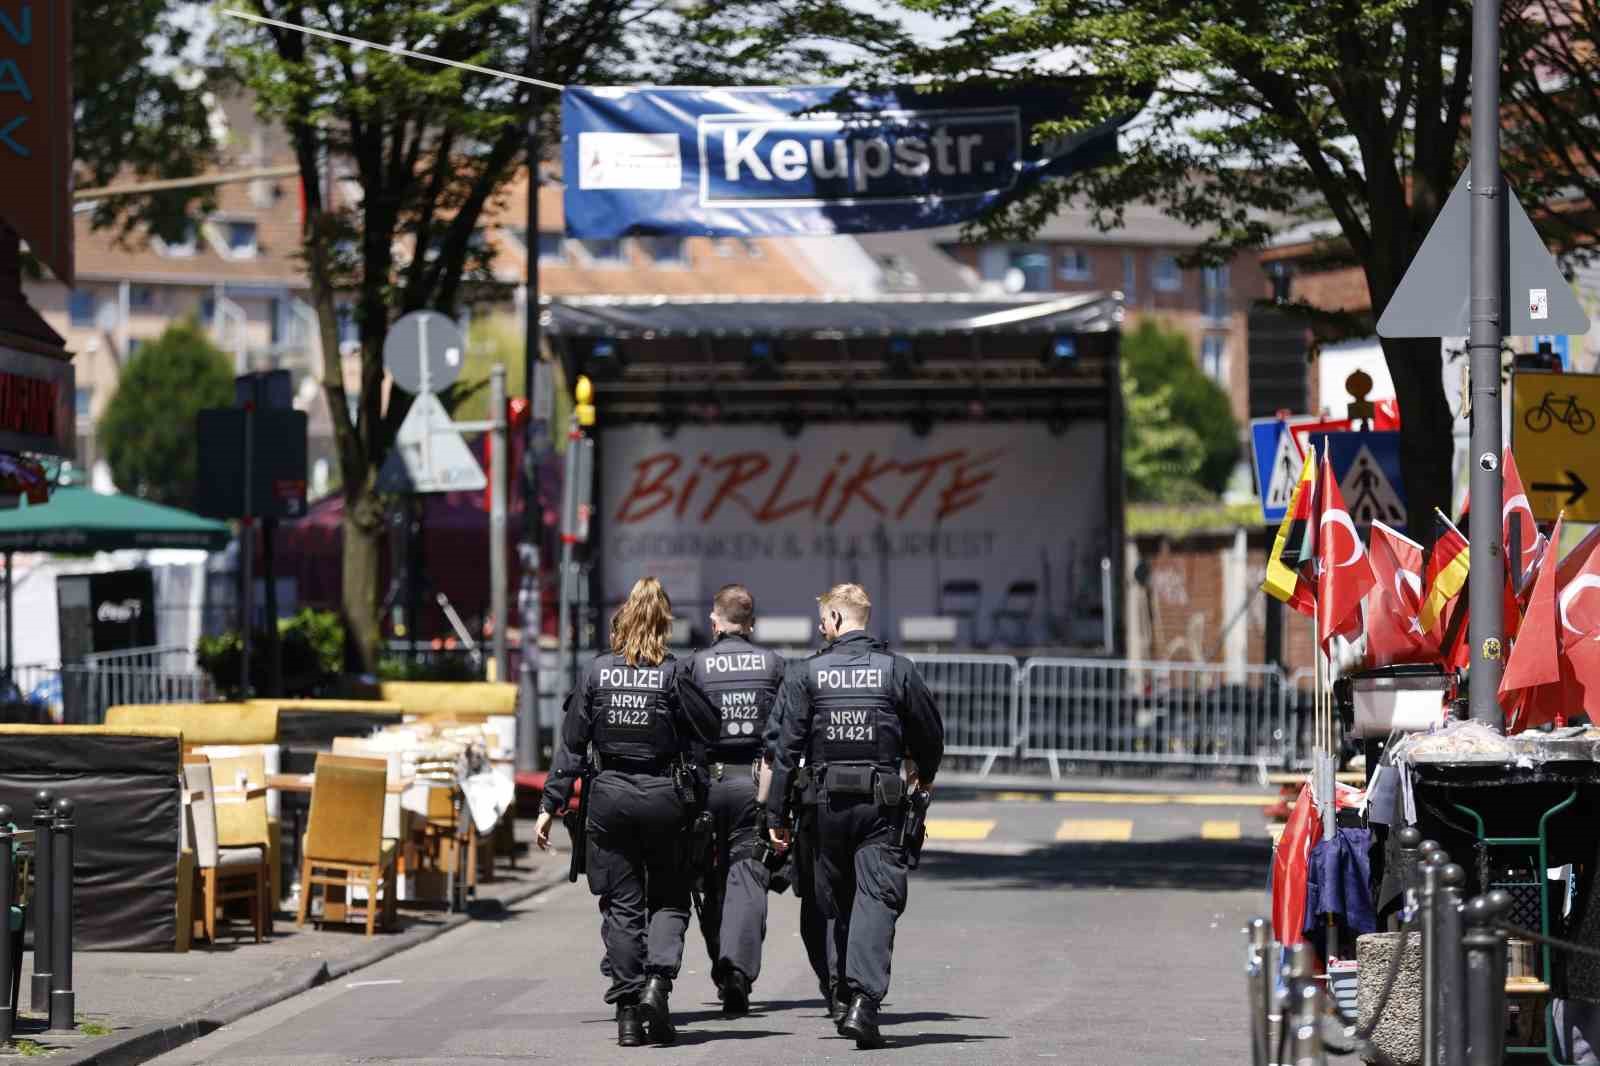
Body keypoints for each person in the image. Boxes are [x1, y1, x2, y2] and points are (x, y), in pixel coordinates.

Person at [536, 577, 718, 1048]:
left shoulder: (597, 673)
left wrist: (550, 804)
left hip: (608, 798)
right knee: (671, 897)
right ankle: (657, 986)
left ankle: (628, 1014)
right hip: (664, 798)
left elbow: (572, 745)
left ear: (622, 620)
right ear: (664, 624)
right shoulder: (677, 674)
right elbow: (708, 734)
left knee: (621, 906)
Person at [768, 582, 944, 1049]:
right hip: (880, 805)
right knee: (877, 897)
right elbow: (930, 733)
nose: (821, 628)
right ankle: (863, 1000)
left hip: (824, 807)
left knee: (834, 901)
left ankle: (843, 995)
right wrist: (924, 775)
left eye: (824, 620)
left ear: (839, 620)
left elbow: (786, 750)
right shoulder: (897, 671)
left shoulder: (808, 673)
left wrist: (776, 814)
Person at [674, 584, 786, 1014]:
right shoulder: (774, 664)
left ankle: (724, 967)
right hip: (754, 783)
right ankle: (737, 969)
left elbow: (681, 728)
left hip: (705, 785)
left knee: (706, 879)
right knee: (749, 873)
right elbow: (787, 729)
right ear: (751, 623)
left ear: (714, 621)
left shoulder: (694, 666)